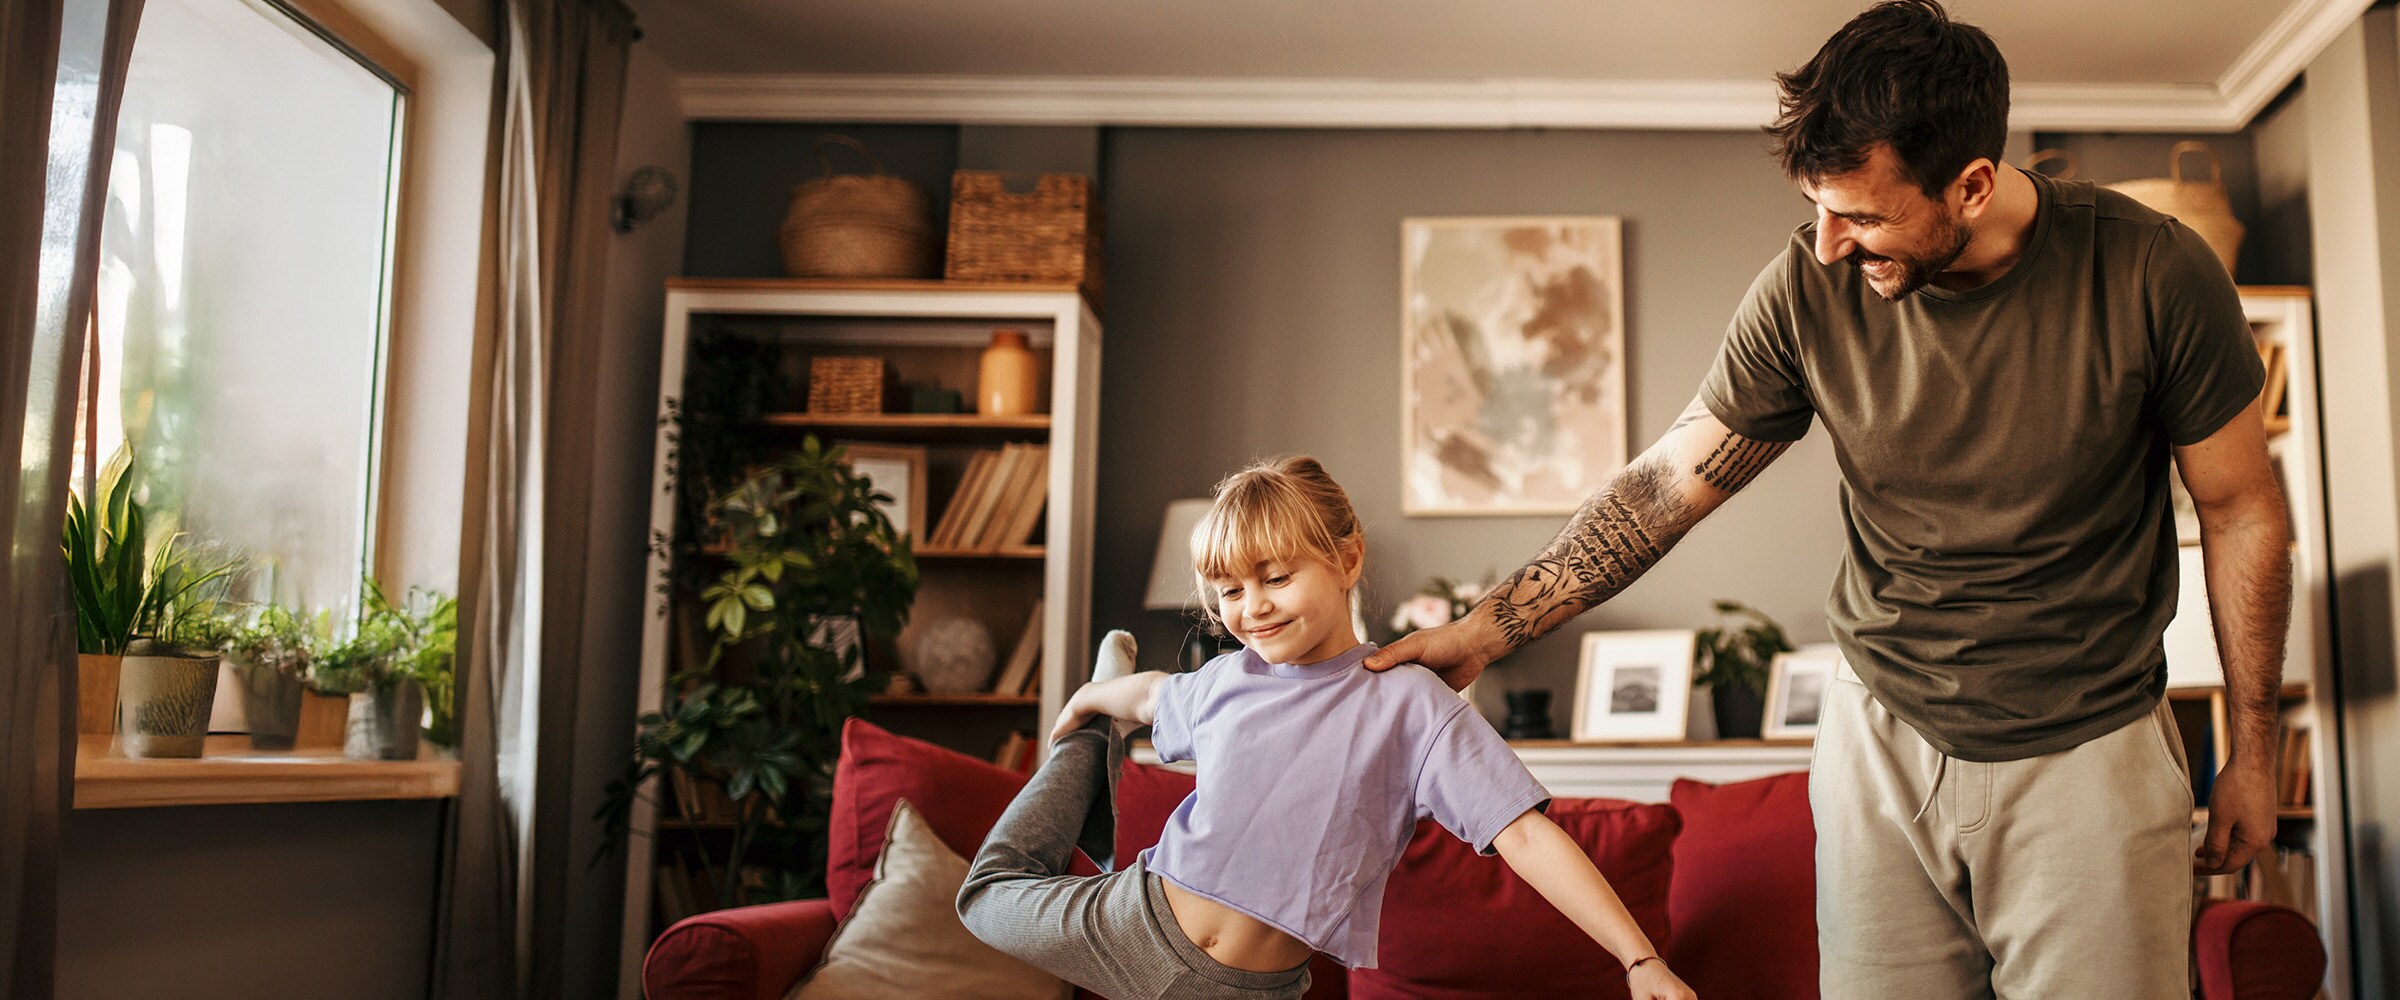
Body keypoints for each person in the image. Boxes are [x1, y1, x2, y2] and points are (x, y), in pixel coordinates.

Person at [1365, 3, 2290, 997]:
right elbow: (1667, 488)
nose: (1828, 244)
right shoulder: (1805, 291)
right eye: (1816, 206)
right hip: (1881, 734)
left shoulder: (2154, 272)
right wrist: (1483, 633)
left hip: (2090, 742)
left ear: (1972, 185)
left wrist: (2251, 749)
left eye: (1861, 213)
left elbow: (2245, 510)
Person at [957, 456, 1697, 1000]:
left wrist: (1640, 959)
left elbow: (1529, 834)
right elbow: (1156, 697)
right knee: (985, 895)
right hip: (1132, 922)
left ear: (1346, 560)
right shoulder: (1225, 681)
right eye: (1230, 593)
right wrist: (1097, 699)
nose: (1253, 609)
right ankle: (1090, 724)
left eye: (1277, 578)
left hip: (1256, 989)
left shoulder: (1410, 706)